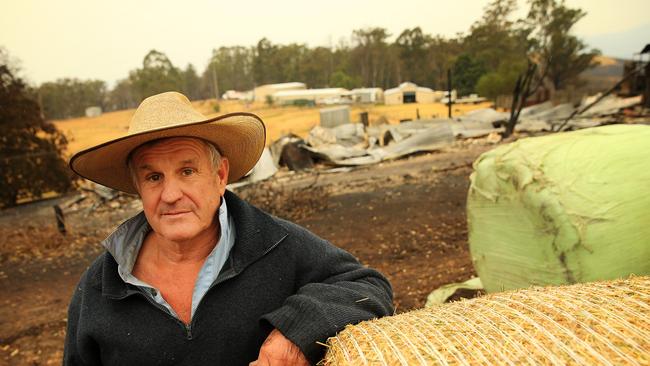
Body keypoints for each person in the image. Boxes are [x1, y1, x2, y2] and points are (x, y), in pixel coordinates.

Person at [64, 92, 393, 365]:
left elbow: (367, 287)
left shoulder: (274, 243)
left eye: (187, 171)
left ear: (220, 176)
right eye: (153, 177)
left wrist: (295, 331)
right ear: (138, 187)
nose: (171, 194)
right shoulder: (101, 285)